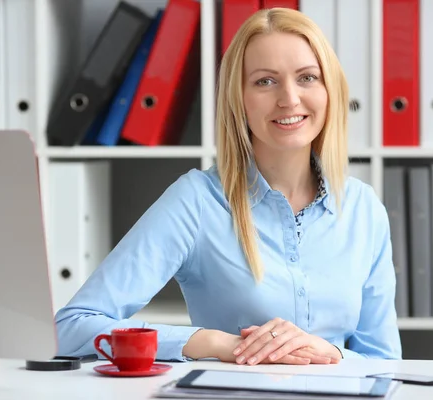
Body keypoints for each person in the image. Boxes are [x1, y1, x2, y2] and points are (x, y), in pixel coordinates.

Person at [54, 7, 402, 366]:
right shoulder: (197, 201)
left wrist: (332, 354)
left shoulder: (363, 208)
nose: (289, 99)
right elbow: (71, 327)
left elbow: (386, 363)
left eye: (307, 77)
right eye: (265, 81)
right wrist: (212, 343)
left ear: (330, 90)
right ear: (239, 99)